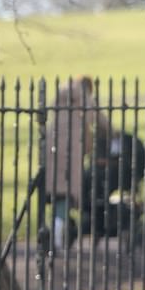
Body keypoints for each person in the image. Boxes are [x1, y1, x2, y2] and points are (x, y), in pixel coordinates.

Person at [45, 76, 111, 250]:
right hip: (71, 152)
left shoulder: (61, 99)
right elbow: (99, 120)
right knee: (67, 191)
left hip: (52, 151)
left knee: (58, 191)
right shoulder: (84, 98)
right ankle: (58, 237)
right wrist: (113, 132)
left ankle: (54, 229)